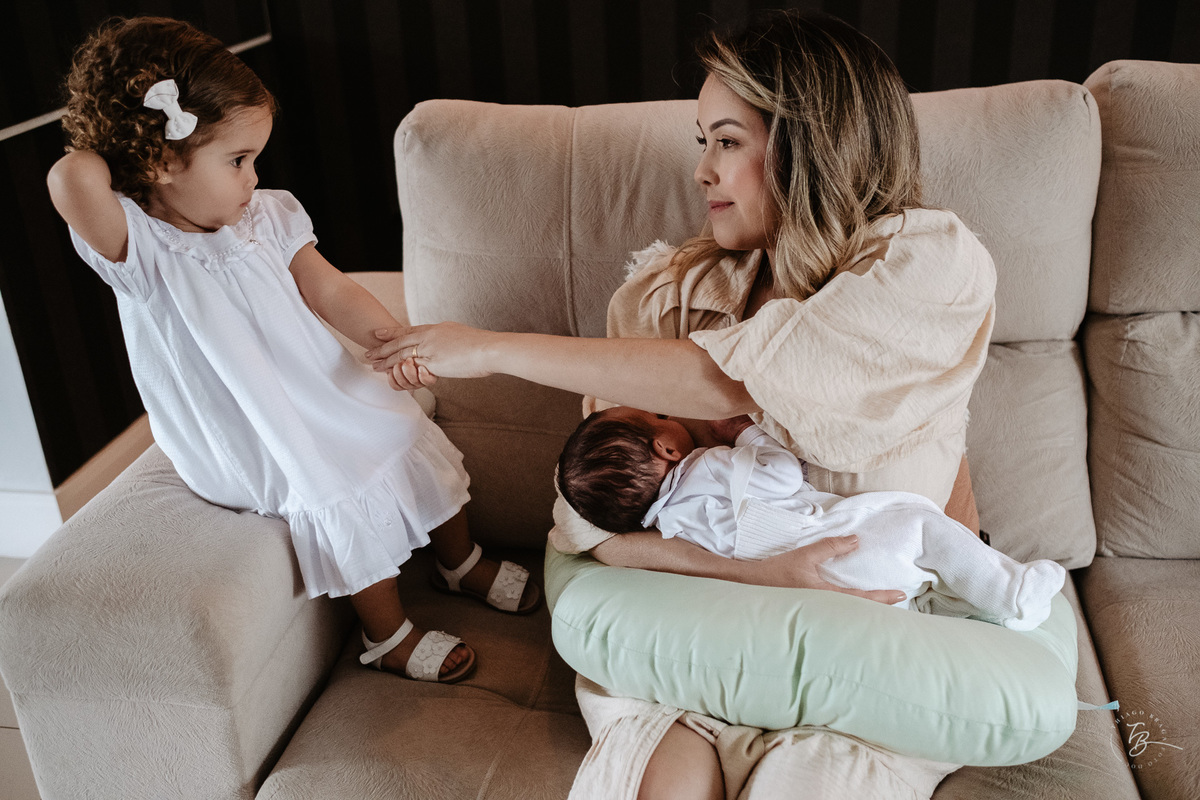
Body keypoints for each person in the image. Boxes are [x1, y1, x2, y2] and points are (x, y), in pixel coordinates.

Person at [367, 9, 996, 798]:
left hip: (857, 657)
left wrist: (490, 348)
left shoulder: (930, 265)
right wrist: (762, 574)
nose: (702, 172)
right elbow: (593, 525)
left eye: (727, 141)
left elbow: (741, 381)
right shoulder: (666, 298)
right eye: (702, 142)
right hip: (687, 641)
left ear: (811, 144)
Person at [46, 16, 538, 685]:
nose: (252, 179)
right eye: (238, 161)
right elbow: (71, 176)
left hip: (319, 382)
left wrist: (389, 339)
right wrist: (136, 130)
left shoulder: (267, 216)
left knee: (402, 426)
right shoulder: (141, 251)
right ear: (163, 160)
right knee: (331, 480)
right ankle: (387, 631)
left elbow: (329, 288)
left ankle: (461, 561)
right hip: (255, 425)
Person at [557, 407, 1065, 631]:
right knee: (922, 527)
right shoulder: (706, 465)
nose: (670, 414)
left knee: (917, 590)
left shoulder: (667, 530)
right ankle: (1010, 591)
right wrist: (749, 436)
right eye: (658, 414)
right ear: (666, 446)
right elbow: (778, 480)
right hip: (837, 546)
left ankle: (978, 613)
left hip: (812, 589)